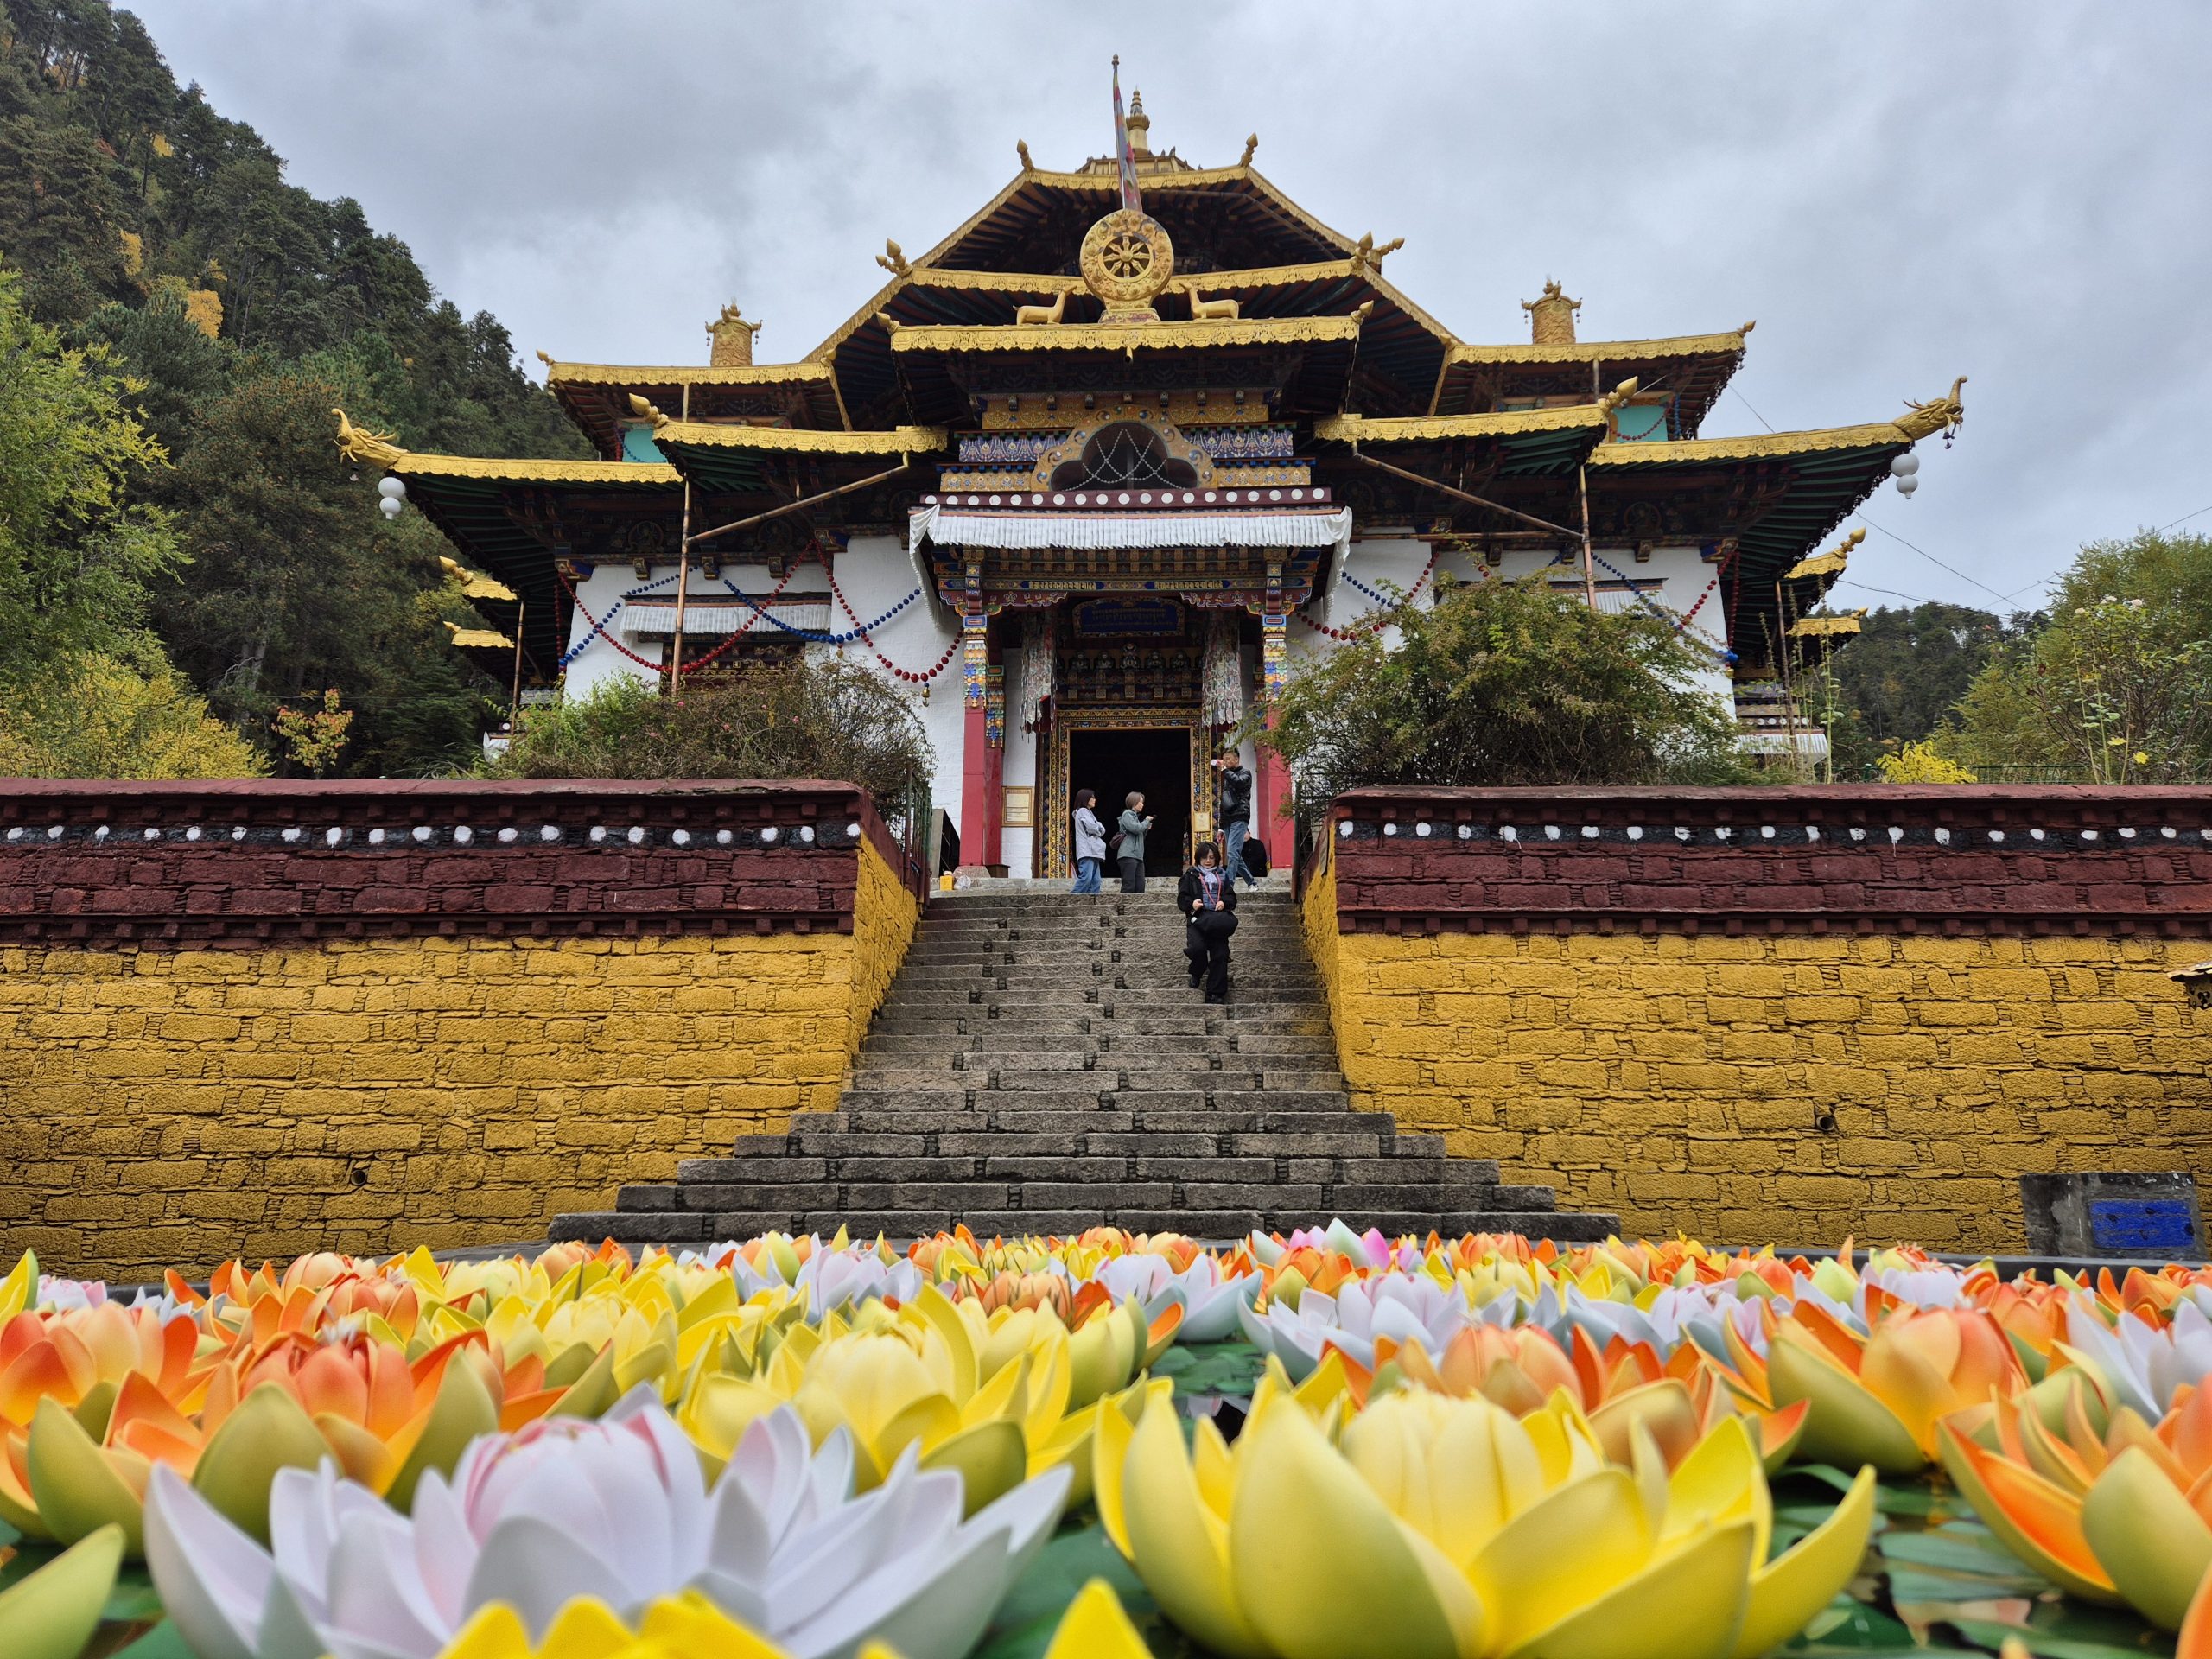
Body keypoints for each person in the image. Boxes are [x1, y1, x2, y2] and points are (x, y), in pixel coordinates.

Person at [1178, 840, 1239, 1003]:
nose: (1208, 861)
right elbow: (1182, 898)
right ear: (1198, 858)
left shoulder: (1223, 875)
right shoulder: (1190, 875)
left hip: (1217, 921)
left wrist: (1224, 902)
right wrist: (1191, 904)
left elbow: (1231, 897)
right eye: (1204, 857)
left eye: (1212, 857)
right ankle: (1197, 972)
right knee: (1197, 949)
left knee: (1220, 954)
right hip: (1198, 919)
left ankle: (1216, 993)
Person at [1211, 742, 1257, 888]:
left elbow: (1239, 783)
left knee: (1232, 853)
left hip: (1240, 817)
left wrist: (1224, 770)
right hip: (1229, 820)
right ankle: (1252, 882)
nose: (1226, 761)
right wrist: (1221, 828)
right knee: (1235, 854)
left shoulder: (1246, 773)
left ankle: (1228, 885)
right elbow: (1224, 803)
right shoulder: (1227, 777)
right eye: (1224, 759)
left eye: (1229, 758)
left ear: (1237, 759)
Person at [1070, 788, 1106, 894]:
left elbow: (1100, 829)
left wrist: (1099, 828)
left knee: (1096, 881)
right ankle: (1071, 900)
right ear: (1085, 798)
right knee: (1086, 878)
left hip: (1093, 851)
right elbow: (1093, 827)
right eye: (1092, 797)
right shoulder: (1082, 811)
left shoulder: (1088, 812)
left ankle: (1091, 904)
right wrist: (1099, 827)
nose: (1094, 799)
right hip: (1086, 850)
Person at [1116, 791, 1154, 893]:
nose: (1142, 804)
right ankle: (1124, 907)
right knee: (1129, 886)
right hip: (1128, 855)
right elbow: (1135, 829)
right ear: (1134, 802)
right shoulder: (1127, 814)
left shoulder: (1135, 817)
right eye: (1140, 802)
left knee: (1140, 887)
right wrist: (1146, 821)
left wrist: (1146, 829)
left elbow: (1139, 835)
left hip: (1138, 856)